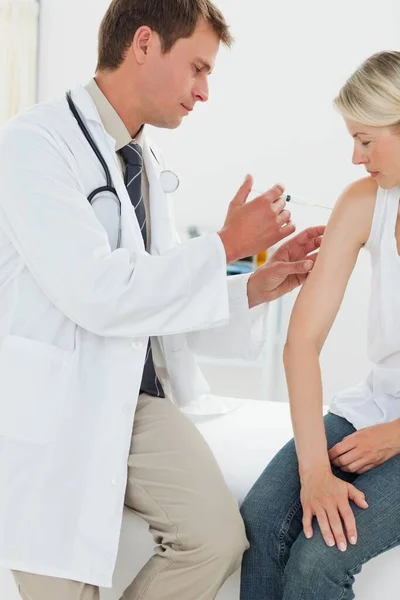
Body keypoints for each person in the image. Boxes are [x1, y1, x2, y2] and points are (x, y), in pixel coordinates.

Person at [0, 1, 324, 599]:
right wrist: (229, 242)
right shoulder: (34, 145)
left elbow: (162, 297)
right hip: (58, 408)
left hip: (135, 402)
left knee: (218, 538)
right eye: (197, 68)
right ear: (144, 44)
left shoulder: (145, 162)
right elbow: (98, 294)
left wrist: (255, 282)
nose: (203, 93)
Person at [240, 50, 400, 600]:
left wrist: (397, 436)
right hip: (375, 405)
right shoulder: (366, 202)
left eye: (366, 140)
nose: (356, 158)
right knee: (259, 522)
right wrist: (314, 472)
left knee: (318, 563)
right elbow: (302, 343)